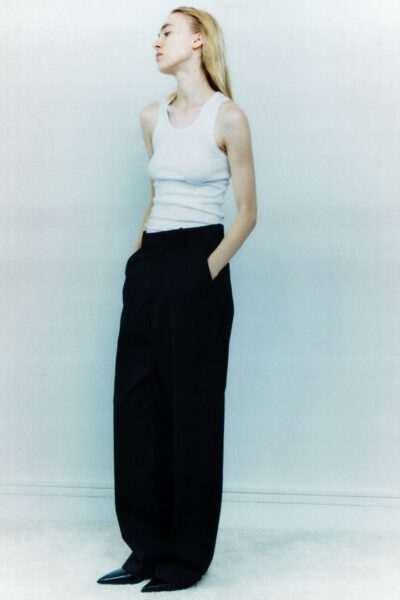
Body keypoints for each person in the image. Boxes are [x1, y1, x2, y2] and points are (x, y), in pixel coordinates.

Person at [97, 6, 257, 593]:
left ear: (198, 41)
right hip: (152, 263)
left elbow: (247, 213)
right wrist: (137, 261)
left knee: (192, 414)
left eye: (167, 31)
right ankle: (146, 548)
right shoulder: (151, 117)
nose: (157, 41)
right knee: (137, 409)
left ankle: (184, 558)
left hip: (199, 261)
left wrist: (204, 271)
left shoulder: (229, 116)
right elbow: (156, 195)